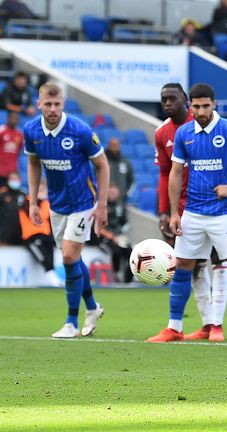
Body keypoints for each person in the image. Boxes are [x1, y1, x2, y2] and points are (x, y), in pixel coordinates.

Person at [146, 83, 227, 344]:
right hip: (192, 213)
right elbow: (175, 172)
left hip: (224, 213)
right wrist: (175, 213)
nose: (201, 111)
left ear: (214, 104)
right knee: (183, 268)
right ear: (191, 105)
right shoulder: (184, 134)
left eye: (205, 106)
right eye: (196, 106)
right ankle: (174, 327)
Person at [24, 82, 108, 338]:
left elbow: (103, 165)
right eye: (47, 104)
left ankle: (71, 322)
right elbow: (33, 163)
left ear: (63, 104)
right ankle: (92, 307)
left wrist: (102, 205)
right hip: (57, 204)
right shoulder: (31, 131)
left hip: (83, 203)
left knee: (69, 257)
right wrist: (32, 201)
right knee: (74, 260)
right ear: (38, 104)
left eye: (57, 104)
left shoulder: (80, 131)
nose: (52, 109)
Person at [155, 82, 227, 342]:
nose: (168, 103)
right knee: (192, 266)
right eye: (163, 99)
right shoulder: (162, 132)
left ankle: (218, 323)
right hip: (185, 210)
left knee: (220, 261)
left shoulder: (205, 122)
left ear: (185, 99)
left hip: (215, 205)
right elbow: (165, 173)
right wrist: (166, 211)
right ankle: (206, 323)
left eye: (172, 98)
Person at [18, 178, 63, 286]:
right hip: (31, 235)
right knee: (43, 256)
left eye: (43, 190)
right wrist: (43, 202)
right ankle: (51, 278)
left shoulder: (45, 202)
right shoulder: (26, 201)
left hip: (45, 235)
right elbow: (39, 216)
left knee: (50, 255)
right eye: (39, 190)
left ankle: (51, 278)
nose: (41, 192)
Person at [105, 137, 134, 205]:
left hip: (121, 201)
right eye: (112, 145)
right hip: (103, 201)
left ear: (119, 146)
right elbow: (95, 178)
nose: (114, 148)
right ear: (108, 146)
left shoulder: (126, 162)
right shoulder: (103, 162)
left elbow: (132, 181)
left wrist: (125, 193)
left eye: (116, 145)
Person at [0, 109, 24, 187]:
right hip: (1, 171)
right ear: (8, 118)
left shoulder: (19, 134)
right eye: (13, 118)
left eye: (16, 118)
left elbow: (19, 148)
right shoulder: (1, 131)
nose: (14, 120)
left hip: (13, 173)